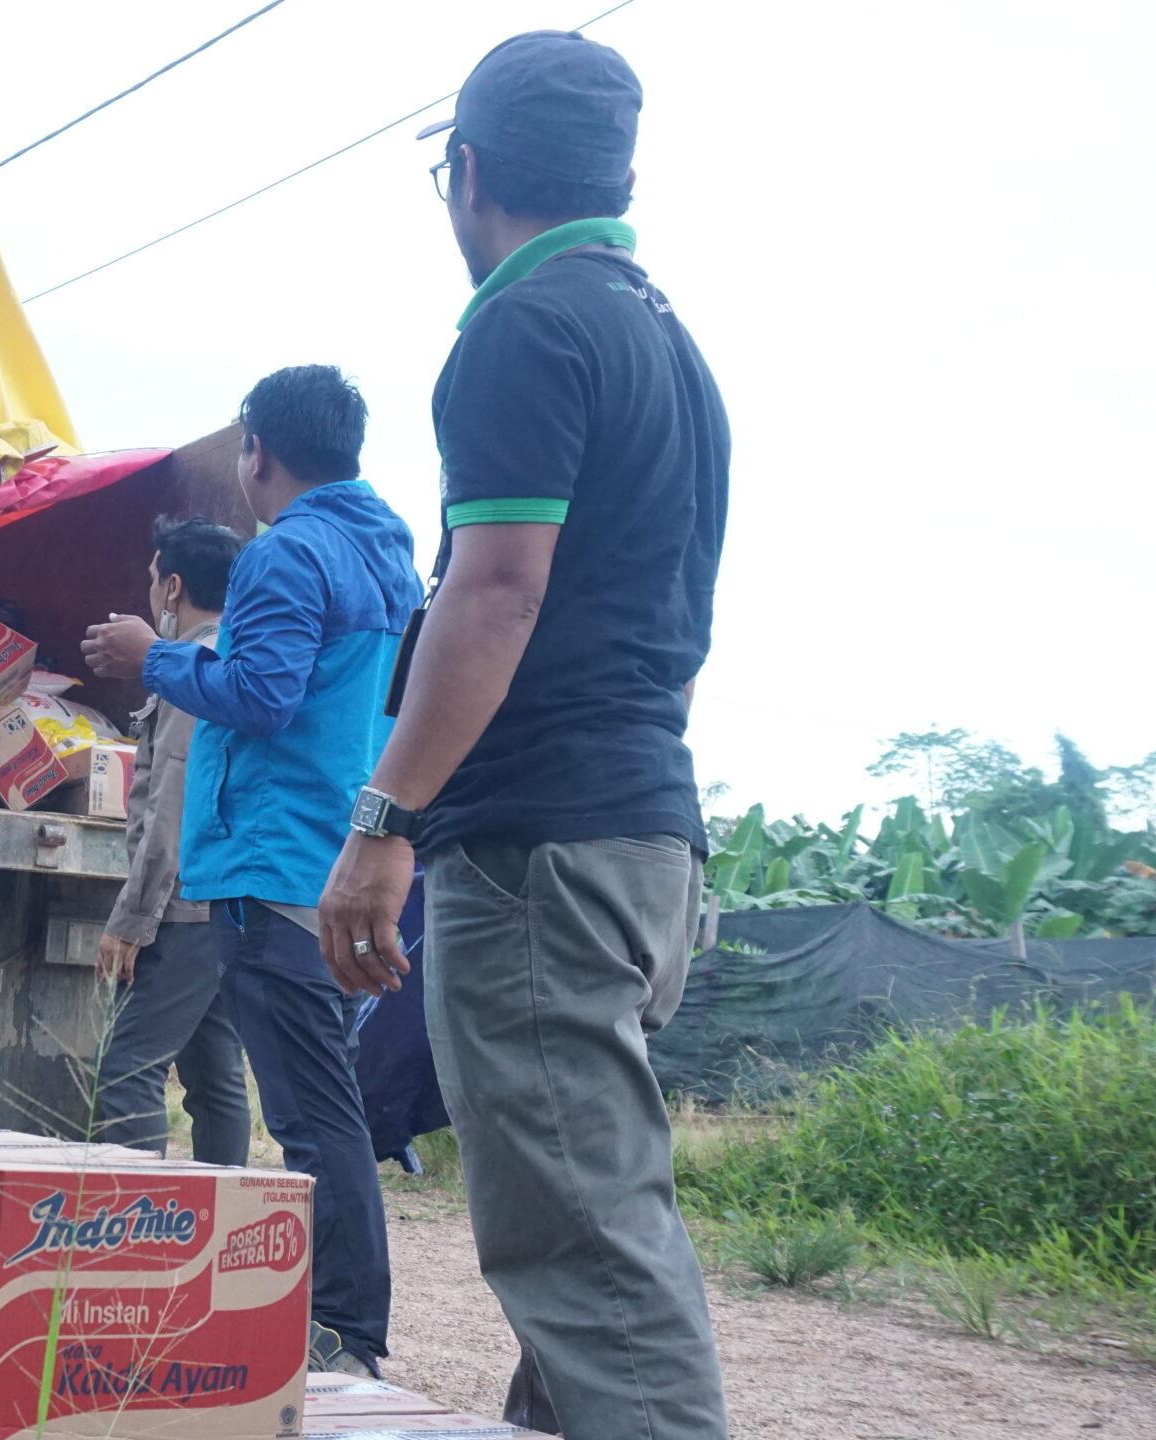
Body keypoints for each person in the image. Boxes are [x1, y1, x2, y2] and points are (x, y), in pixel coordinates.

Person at [314, 31, 732, 1438]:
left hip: (542, 849)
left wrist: (386, 821)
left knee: (588, 1262)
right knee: (583, 1233)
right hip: (644, 836)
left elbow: (493, 591)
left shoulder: (524, 326)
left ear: (469, 173)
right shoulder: (670, 347)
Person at [83, 366, 421, 1377]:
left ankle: (344, 1335)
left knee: (313, 1118)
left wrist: (151, 656)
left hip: (270, 862)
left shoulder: (286, 552)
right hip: (331, 854)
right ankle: (335, 1323)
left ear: (257, 453)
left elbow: (262, 695)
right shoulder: (388, 549)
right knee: (315, 1104)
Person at [91, 516, 250, 1166]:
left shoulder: (189, 672)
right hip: (223, 902)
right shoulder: (231, 661)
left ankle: (132, 1218)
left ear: (174, 587)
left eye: (154, 579)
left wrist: (132, 920)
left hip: (183, 907)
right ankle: (225, 1212)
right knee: (214, 1077)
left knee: (126, 1069)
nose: (151, 591)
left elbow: (171, 808)